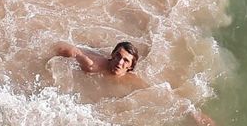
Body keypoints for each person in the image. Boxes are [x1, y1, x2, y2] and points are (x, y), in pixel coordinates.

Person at [52, 41, 218, 125]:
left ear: (131, 67)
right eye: (117, 56)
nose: (119, 62)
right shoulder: (92, 65)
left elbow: (162, 93)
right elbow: (70, 50)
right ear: (112, 55)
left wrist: (193, 112)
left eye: (125, 60)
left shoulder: (132, 79)